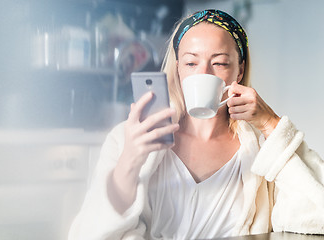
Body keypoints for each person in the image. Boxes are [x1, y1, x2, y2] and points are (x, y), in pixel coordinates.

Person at [68, 9, 324, 240]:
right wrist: (130, 161)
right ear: (178, 69)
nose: (204, 73)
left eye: (220, 63)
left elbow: (316, 217)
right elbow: (90, 232)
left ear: (240, 70)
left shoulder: (262, 148)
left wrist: (271, 124)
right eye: (191, 63)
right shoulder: (130, 138)